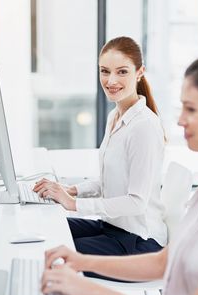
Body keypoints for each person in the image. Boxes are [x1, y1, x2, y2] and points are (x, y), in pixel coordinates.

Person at [41, 51, 198, 295]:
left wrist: (88, 289)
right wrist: (80, 261)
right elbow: (164, 262)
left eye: (191, 109)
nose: (180, 120)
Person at [34, 37, 167, 268]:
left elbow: (136, 202)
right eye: (105, 71)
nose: (111, 80)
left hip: (139, 244)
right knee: (45, 231)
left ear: (139, 72)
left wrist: (74, 204)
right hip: (113, 228)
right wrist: (72, 190)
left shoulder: (143, 126)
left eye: (122, 72)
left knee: (49, 255)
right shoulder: (115, 117)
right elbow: (114, 179)